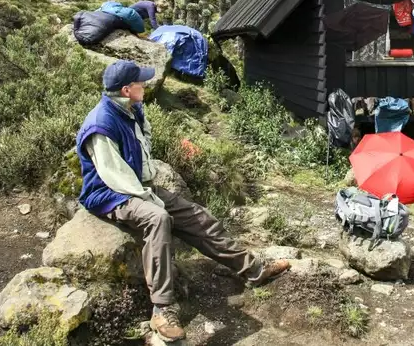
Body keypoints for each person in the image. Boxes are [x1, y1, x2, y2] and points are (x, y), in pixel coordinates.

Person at [75, 60, 290, 341]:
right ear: (127, 89)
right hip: (109, 193)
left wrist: (149, 185)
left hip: (138, 185)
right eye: (141, 82)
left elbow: (143, 142)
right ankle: (162, 309)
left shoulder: (131, 108)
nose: (146, 84)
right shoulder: (100, 125)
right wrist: (150, 198)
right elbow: (115, 176)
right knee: (157, 218)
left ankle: (253, 269)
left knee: (197, 216)